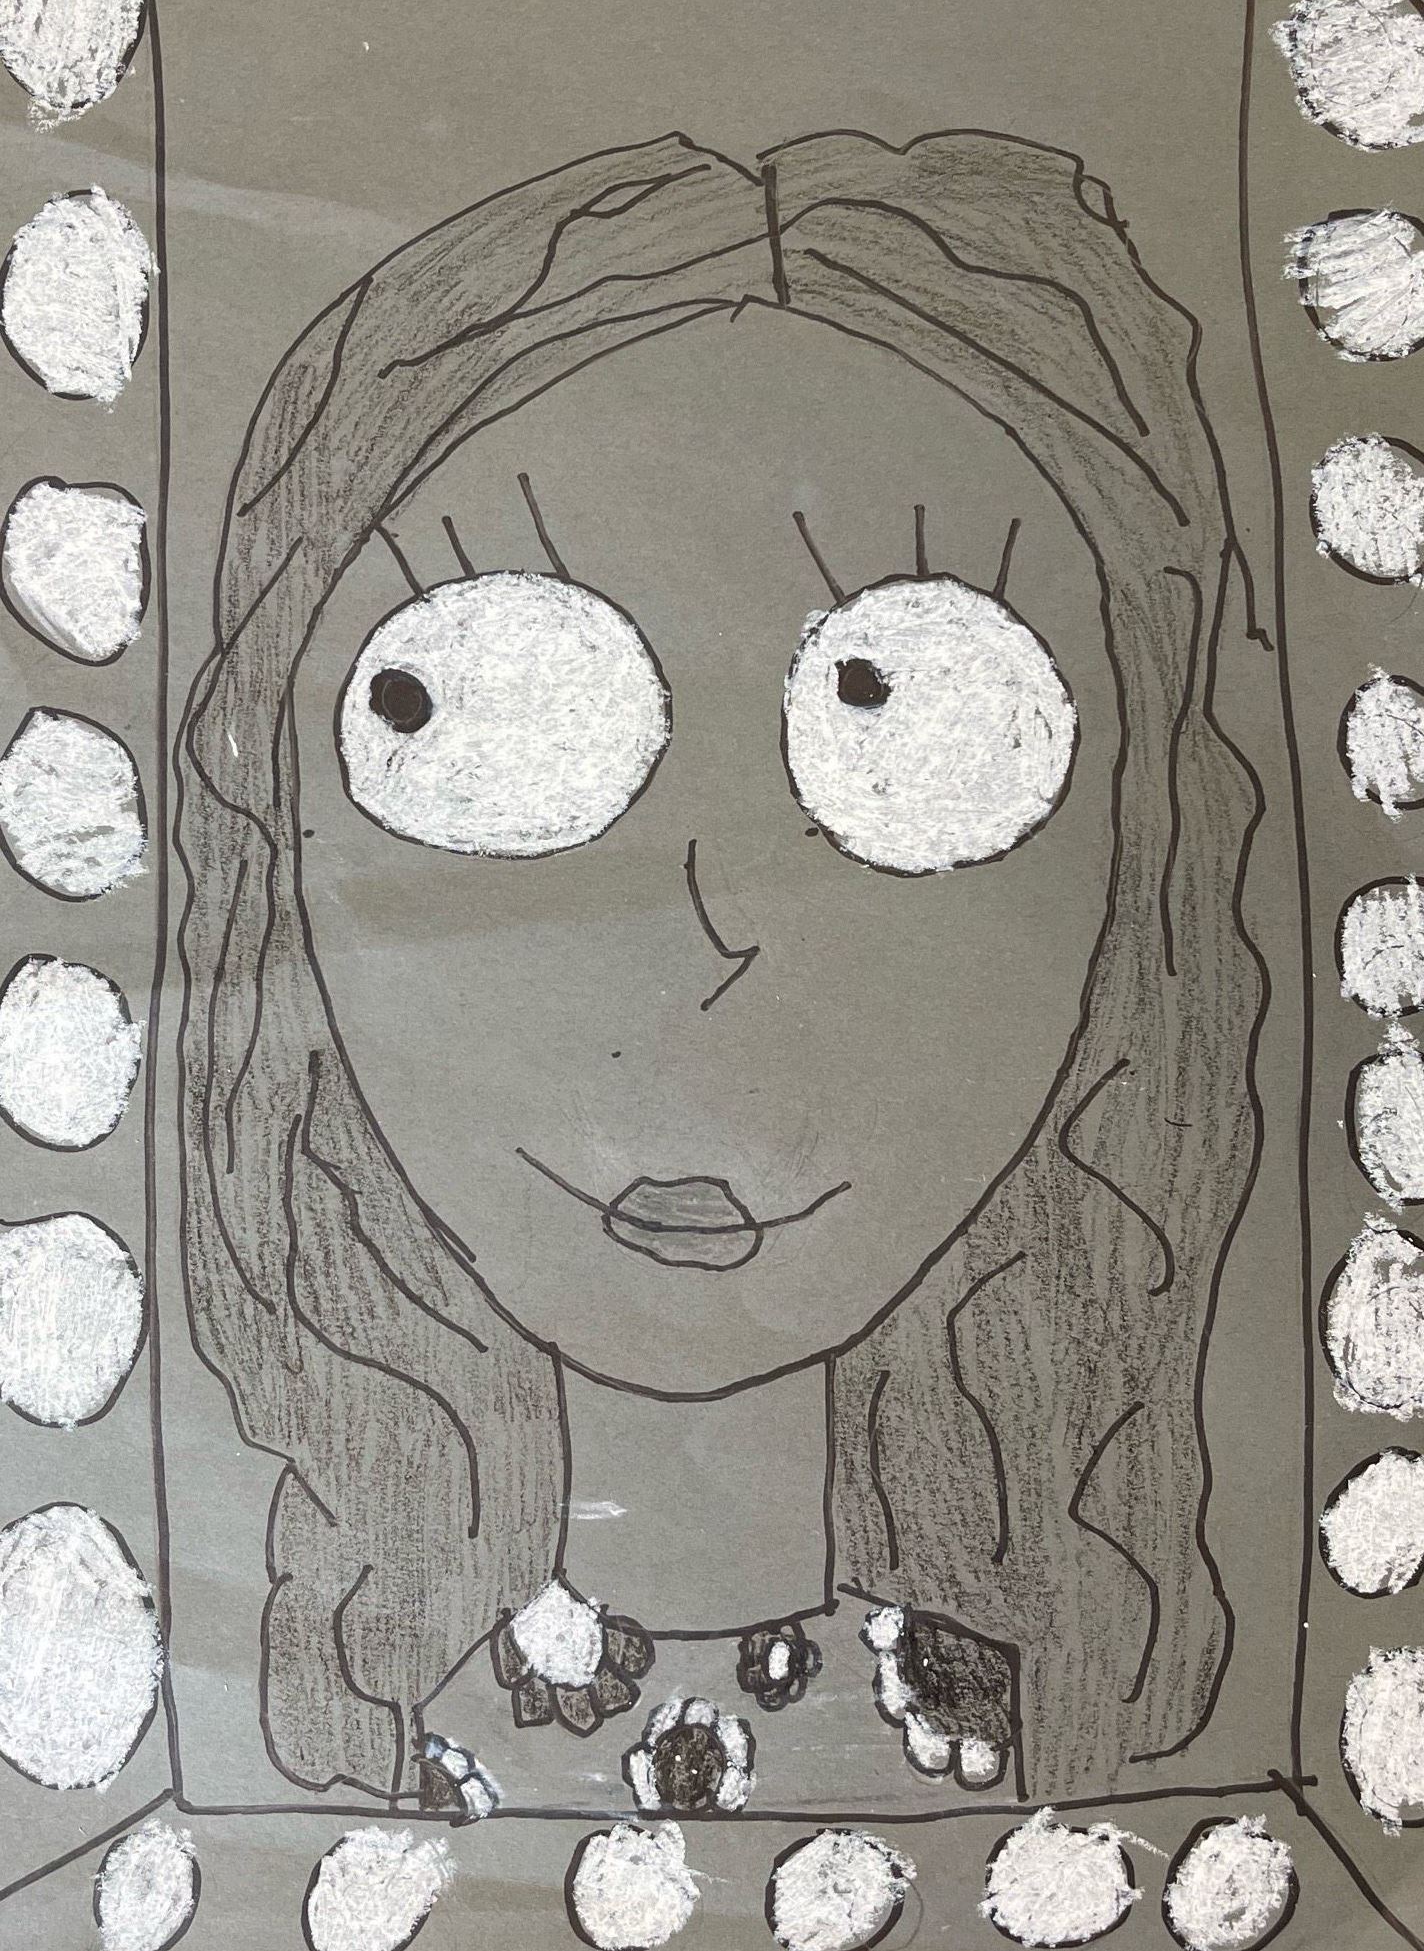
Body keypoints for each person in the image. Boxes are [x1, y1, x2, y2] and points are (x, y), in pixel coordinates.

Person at [176, 128, 1266, 1806]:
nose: (705, 929)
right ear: (281, 848)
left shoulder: (1145, 1786)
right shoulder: (292, 1777)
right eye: (469, 718)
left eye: (933, 734)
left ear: (1136, 870)